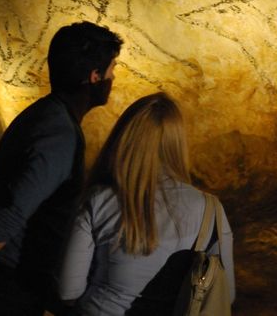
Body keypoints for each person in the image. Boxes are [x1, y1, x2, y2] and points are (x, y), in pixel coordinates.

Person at [0, 21, 123, 315]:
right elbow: (9, 216)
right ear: (94, 77)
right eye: (111, 70)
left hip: (0, 275)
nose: (114, 77)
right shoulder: (58, 137)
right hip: (9, 284)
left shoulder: (44, 115)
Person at [58, 92, 235, 316]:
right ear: (178, 143)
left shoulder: (98, 200)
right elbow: (225, 294)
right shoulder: (211, 210)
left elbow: (68, 290)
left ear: (124, 139)